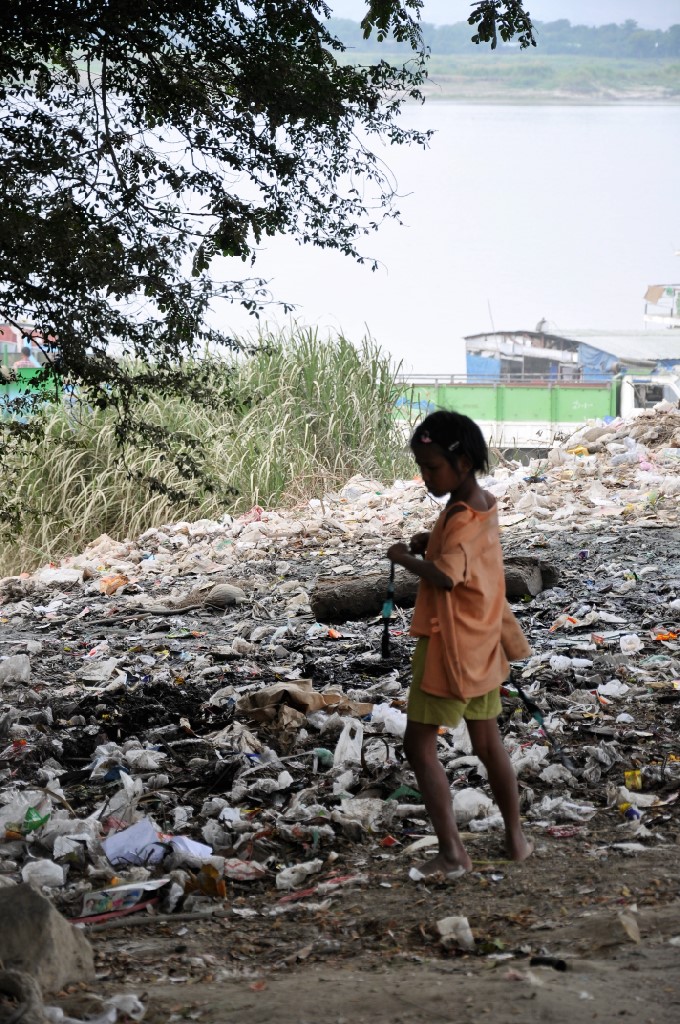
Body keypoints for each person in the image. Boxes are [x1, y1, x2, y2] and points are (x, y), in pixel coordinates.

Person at [387, 410, 533, 878]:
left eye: (432, 467)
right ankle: (516, 839)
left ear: (463, 462)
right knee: (488, 743)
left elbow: (448, 576)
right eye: (421, 466)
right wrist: (431, 541)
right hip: (484, 642)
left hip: (449, 647)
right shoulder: (481, 504)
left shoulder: (463, 517)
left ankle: (452, 854)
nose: (426, 476)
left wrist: (405, 558)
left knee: (418, 746)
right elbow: (463, 554)